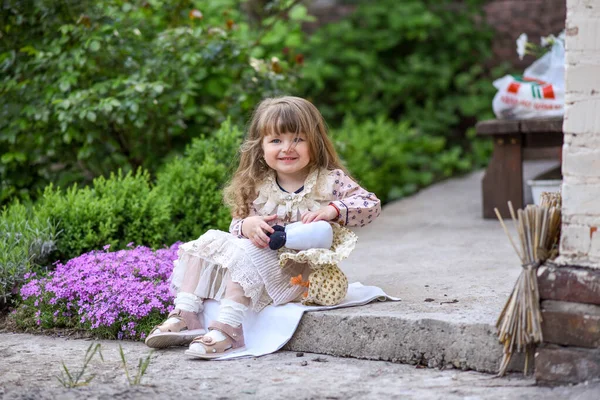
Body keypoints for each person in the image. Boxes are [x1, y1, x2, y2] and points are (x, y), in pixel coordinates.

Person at [145, 96, 381, 359]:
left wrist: (333, 209)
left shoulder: (328, 181)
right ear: (261, 147)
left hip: (299, 275)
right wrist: (246, 225)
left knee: (246, 253)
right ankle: (186, 313)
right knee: (210, 240)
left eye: (298, 139)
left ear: (315, 143)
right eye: (276, 140)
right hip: (258, 262)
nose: (287, 148)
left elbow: (370, 204)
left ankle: (230, 330)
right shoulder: (258, 185)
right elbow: (235, 226)